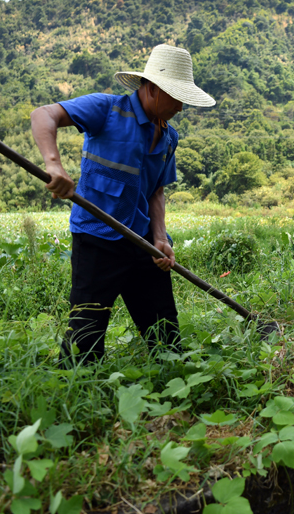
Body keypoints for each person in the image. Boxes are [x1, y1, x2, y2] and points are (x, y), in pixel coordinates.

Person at [30, 44, 215, 365]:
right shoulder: (105, 110)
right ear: (155, 89)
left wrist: (160, 237)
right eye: (177, 98)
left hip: (143, 243)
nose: (181, 108)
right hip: (97, 239)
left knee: (165, 334)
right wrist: (54, 165)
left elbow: (156, 191)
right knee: (85, 337)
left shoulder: (169, 137)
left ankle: (172, 385)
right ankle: (76, 390)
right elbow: (43, 114)